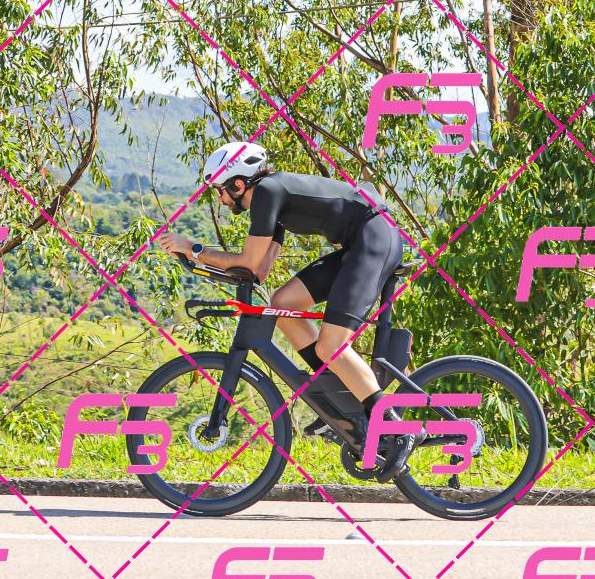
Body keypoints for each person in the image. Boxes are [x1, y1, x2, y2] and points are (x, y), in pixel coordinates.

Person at [158, 141, 417, 481]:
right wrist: (202, 264)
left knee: (332, 345)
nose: (220, 199)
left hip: (375, 241)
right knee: (282, 304)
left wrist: (193, 249)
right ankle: (337, 396)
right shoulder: (270, 201)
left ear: (238, 184)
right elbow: (259, 270)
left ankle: (397, 430)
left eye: (220, 190)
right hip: (360, 244)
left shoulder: (268, 190)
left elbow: (249, 261)